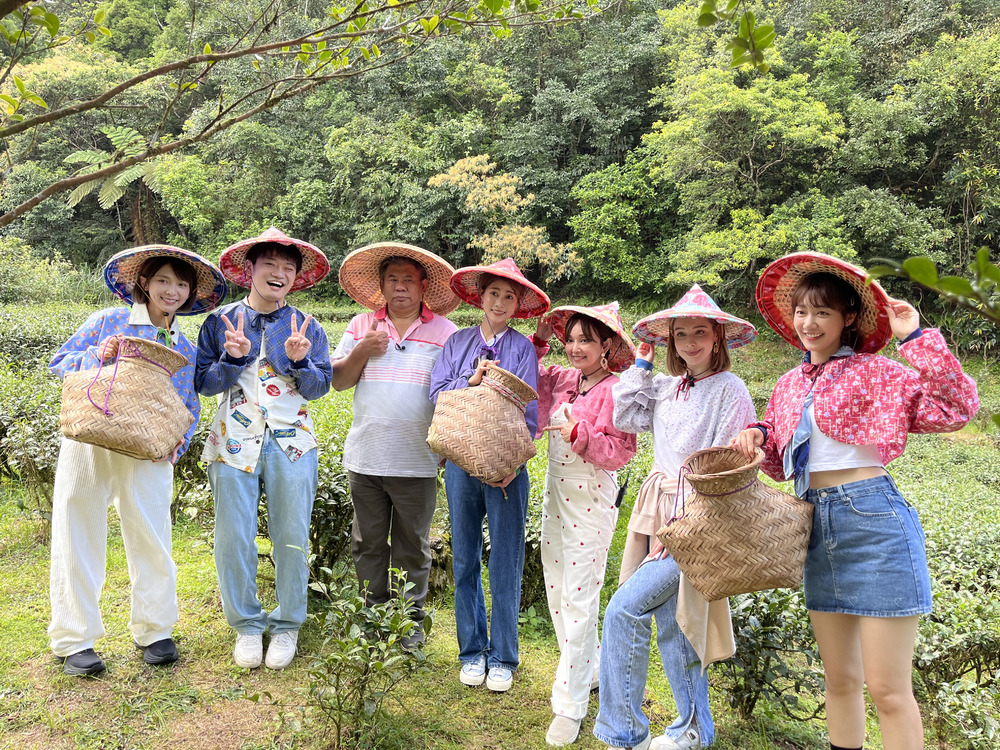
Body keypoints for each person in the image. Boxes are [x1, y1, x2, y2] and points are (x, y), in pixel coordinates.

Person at [730, 252, 978, 750]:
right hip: (814, 527)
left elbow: (956, 409)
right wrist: (755, 434)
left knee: (888, 690)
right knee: (839, 681)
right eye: (801, 311)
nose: (809, 323)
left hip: (874, 523)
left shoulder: (878, 371)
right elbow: (780, 455)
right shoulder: (787, 384)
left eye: (822, 311)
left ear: (847, 318)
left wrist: (914, 337)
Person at [48, 245, 227, 675]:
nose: (173, 290)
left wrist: (175, 447)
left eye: (182, 284)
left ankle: (155, 630)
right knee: (78, 530)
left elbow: (188, 403)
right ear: (144, 283)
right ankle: (75, 639)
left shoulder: (183, 345)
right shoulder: (107, 322)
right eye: (163, 280)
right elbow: (61, 364)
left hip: (149, 449)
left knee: (152, 534)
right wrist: (98, 355)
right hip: (90, 441)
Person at [593, 285, 757, 750]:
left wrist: (684, 527)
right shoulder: (668, 385)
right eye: (679, 334)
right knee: (674, 623)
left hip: (695, 519)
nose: (689, 343)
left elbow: (727, 470)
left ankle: (624, 733)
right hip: (658, 510)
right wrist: (642, 362)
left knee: (623, 609)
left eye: (699, 332)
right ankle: (694, 729)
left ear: (717, 336)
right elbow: (625, 416)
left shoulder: (730, 389)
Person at [195, 227, 332, 670]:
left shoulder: (307, 325)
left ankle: (288, 622)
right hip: (233, 441)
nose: (279, 273)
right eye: (269, 265)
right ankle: (247, 625)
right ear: (249, 270)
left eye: (287, 268)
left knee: (291, 535)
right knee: (233, 536)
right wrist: (232, 358)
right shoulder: (220, 322)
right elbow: (204, 384)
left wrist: (298, 361)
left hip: (292, 443)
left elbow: (318, 388)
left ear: (295, 277)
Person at [429, 257, 550, 693]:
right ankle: (471, 650)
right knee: (464, 559)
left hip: (507, 472)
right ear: (480, 297)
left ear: (518, 305)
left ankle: (503, 656)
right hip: (461, 464)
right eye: (493, 293)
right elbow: (438, 395)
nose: (500, 302)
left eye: (509, 296)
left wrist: (512, 465)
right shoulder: (458, 343)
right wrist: (472, 380)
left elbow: (530, 412)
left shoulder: (521, 349)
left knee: (505, 562)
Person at [330, 242, 459, 648]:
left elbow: (452, 394)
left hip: (419, 457)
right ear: (381, 287)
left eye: (408, 280)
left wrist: (446, 445)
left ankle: (408, 622)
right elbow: (338, 380)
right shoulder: (361, 325)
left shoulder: (446, 332)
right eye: (392, 280)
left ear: (423, 287)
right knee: (367, 542)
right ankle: (371, 617)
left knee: (412, 546)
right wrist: (364, 351)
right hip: (366, 455)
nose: (400, 287)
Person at [531, 303, 638, 746]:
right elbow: (528, 378)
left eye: (586, 340)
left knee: (579, 596)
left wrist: (583, 436)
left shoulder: (616, 390)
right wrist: (537, 340)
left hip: (591, 500)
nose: (575, 348)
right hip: (555, 495)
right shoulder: (563, 379)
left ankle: (570, 706)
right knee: (557, 589)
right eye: (571, 339)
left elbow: (623, 450)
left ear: (607, 345)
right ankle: (588, 671)